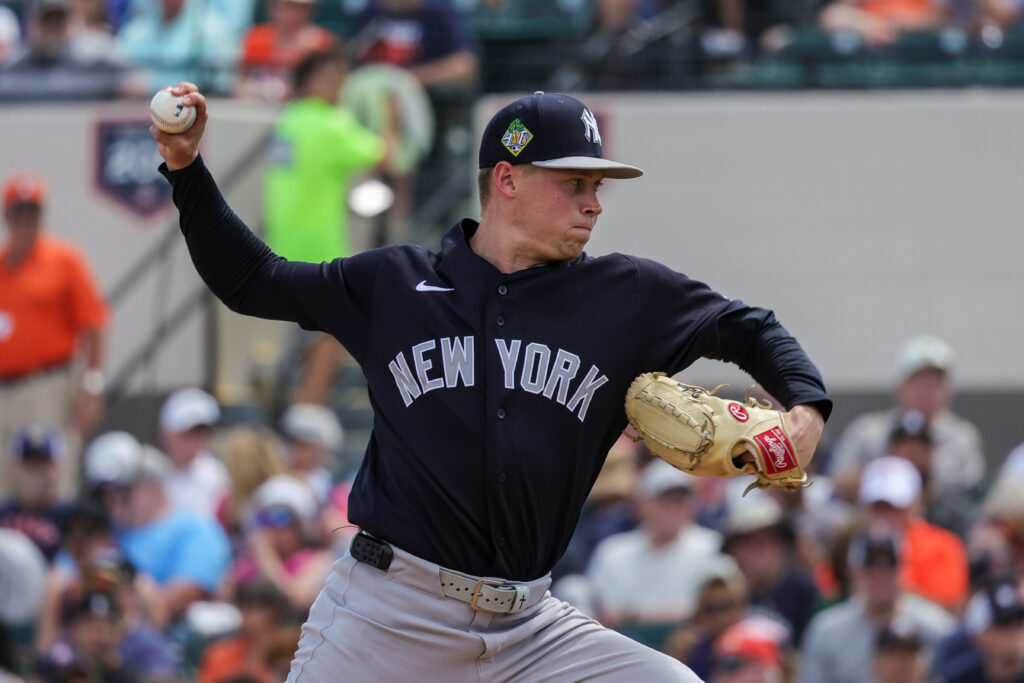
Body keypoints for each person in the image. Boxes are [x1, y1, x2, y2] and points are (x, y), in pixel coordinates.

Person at [152, 84, 830, 681]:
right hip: (391, 616)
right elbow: (253, 281)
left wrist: (807, 408)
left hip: (530, 628)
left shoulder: (624, 294)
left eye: (597, 186)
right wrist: (186, 170)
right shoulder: (394, 284)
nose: (593, 204)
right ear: (506, 179)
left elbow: (747, 327)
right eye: (573, 183)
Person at [263, 47, 396, 406]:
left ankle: (284, 381)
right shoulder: (331, 124)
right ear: (306, 81)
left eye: (341, 76)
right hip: (320, 246)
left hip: (283, 242)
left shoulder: (289, 118)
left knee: (318, 329)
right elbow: (386, 155)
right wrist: (390, 115)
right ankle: (307, 411)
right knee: (332, 335)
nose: (338, 84)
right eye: (329, 76)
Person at [0, 171, 108, 500]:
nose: (26, 221)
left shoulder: (64, 260)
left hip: (52, 383)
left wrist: (92, 387)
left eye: (33, 213)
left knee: (55, 473)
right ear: (8, 217)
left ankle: (58, 542)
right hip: (5, 390)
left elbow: (95, 326)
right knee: (8, 478)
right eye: (19, 213)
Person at [831, 335, 985, 503]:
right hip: (877, 515)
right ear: (900, 386)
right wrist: (885, 472)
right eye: (920, 381)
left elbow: (973, 488)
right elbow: (838, 480)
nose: (928, 390)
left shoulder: (962, 437)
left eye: (935, 382)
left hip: (943, 520)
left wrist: (925, 476)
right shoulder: (868, 431)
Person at [586, 459, 736, 629]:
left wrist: (638, 617)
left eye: (682, 497)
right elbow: (603, 616)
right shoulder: (613, 551)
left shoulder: (712, 546)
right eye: (666, 498)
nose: (675, 506)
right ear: (643, 504)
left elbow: (724, 609)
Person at [798, 525, 954, 683]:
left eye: (889, 565)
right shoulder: (825, 632)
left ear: (903, 568)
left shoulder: (939, 629)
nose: (880, 574)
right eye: (870, 564)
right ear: (853, 570)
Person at [858, 455, 969, 611]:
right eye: (878, 507)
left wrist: (890, 587)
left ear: (914, 505)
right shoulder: (851, 543)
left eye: (894, 508)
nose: (884, 516)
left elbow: (949, 607)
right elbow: (828, 592)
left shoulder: (943, 546)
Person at [0, 0, 134, 101]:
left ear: (72, 22)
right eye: (47, 21)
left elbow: (133, 82)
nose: (53, 28)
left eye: (59, 21)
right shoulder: (18, 60)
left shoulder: (96, 54)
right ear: (33, 25)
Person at [235, 0, 336, 101]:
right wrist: (267, 91)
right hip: (257, 108)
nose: (294, 13)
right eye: (288, 6)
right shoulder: (256, 38)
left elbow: (327, 90)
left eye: (301, 8)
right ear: (274, 6)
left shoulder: (322, 44)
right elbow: (240, 85)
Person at [0, 422, 69, 563]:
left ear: (58, 468)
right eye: (28, 465)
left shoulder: (75, 519)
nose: (35, 473)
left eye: (42, 465)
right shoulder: (2, 513)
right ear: (14, 467)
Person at [933, 577, 1024, 683]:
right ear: (980, 635)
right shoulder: (960, 676)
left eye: (1019, 623)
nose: (1015, 631)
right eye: (1004, 624)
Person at [158, 387, 230, 519]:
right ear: (167, 433)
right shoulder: (154, 475)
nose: (199, 438)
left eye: (204, 430)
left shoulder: (218, 477)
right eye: (189, 432)